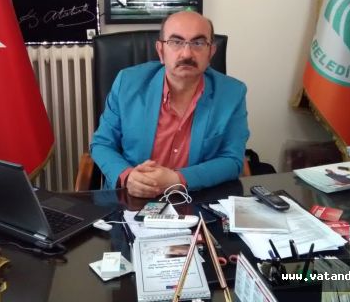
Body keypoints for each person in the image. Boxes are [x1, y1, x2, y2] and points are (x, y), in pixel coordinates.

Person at [90, 11, 249, 198]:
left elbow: (232, 159)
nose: (187, 53)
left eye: (198, 43)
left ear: (211, 53)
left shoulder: (232, 93)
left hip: (194, 198)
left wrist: (178, 179)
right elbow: (102, 144)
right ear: (160, 51)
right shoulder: (127, 83)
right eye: (176, 42)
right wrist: (128, 176)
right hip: (131, 199)